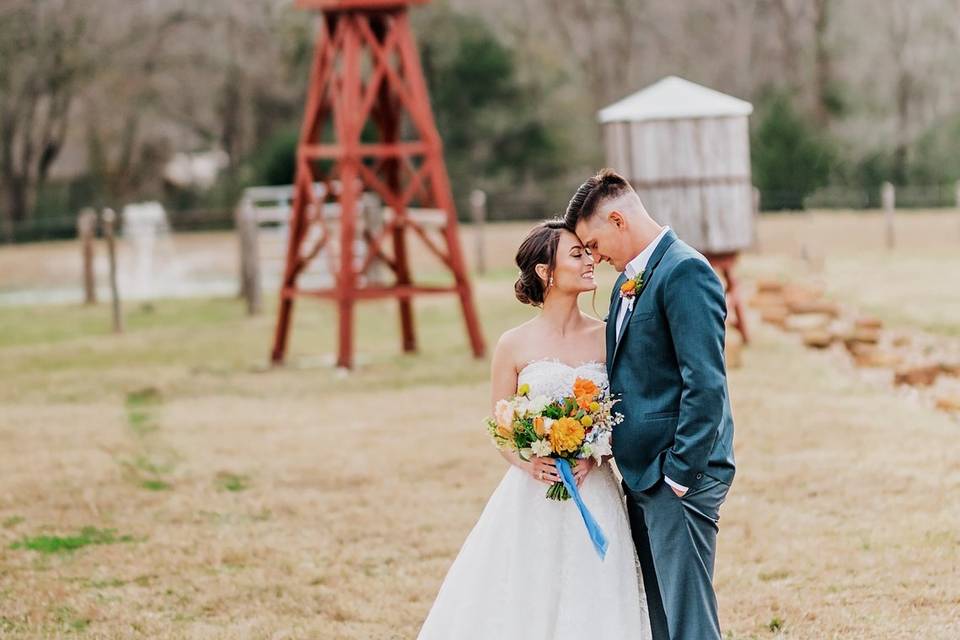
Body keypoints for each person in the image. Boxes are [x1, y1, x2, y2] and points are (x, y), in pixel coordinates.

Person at [417, 219, 651, 640]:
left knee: (591, 591)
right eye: (576, 254)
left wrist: (595, 451)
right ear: (545, 271)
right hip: (532, 494)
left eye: (588, 252)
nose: (590, 261)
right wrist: (529, 461)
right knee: (526, 593)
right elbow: (501, 427)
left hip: (594, 489)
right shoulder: (513, 344)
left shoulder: (608, 336)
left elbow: (625, 415)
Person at [565, 169, 736, 640]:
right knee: (656, 617)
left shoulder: (684, 271)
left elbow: (705, 382)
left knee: (688, 623)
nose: (594, 259)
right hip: (642, 475)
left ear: (618, 219)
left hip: (676, 476)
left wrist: (679, 473)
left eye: (594, 244)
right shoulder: (631, 281)